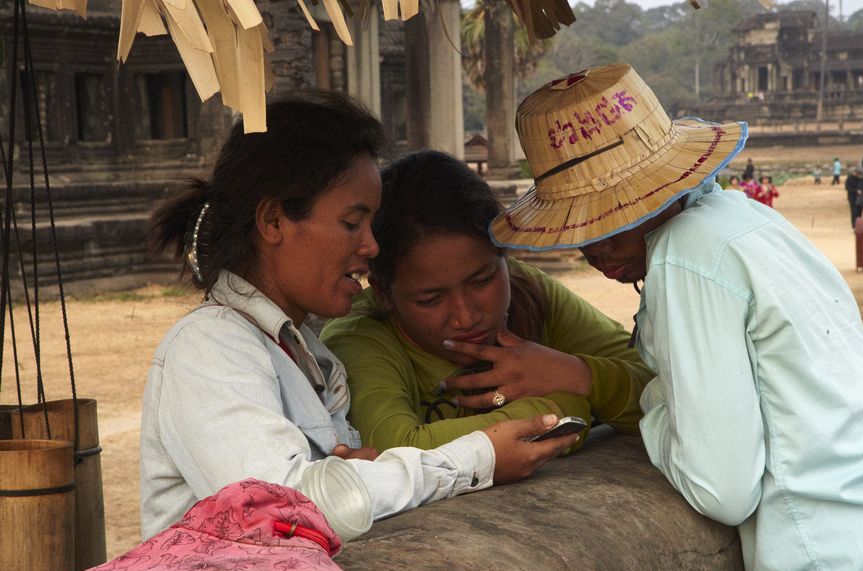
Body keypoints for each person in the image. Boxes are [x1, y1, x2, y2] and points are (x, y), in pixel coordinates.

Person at [490, 64, 863, 571]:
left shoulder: (685, 257)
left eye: (612, 220)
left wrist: (658, 405)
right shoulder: (749, 220)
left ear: (662, 194)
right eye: (582, 228)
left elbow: (722, 489)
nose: (594, 249)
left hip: (826, 568)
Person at [140, 92, 577, 540]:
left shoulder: (308, 353)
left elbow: (340, 491)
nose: (371, 246)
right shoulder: (209, 346)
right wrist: (477, 459)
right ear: (273, 221)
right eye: (352, 223)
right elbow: (285, 508)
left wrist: (355, 478)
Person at [321, 150, 653, 452]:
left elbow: (662, 391)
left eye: (482, 281)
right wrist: (563, 405)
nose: (466, 317)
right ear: (383, 293)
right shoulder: (359, 336)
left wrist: (579, 375)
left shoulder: (529, 289)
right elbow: (395, 448)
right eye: (430, 298)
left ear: (504, 258)